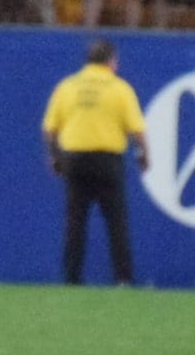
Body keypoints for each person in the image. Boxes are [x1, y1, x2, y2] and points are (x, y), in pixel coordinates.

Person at [42, 39, 147, 285]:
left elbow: (49, 129)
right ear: (110, 61)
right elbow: (137, 130)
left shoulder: (67, 87)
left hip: (75, 158)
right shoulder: (120, 88)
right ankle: (123, 278)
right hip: (107, 160)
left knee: (75, 220)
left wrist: (55, 156)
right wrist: (144, 155)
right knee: (116, 221)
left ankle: (72, 277)